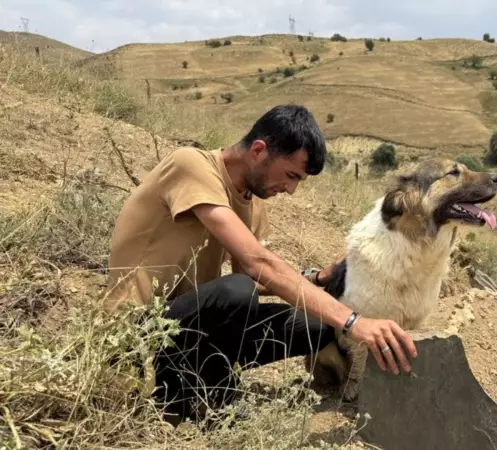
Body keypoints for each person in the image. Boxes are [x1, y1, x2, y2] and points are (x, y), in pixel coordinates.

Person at [105, 104, 417, 424]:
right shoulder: (191, 164)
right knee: (238, 292)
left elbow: (256, 283)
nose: (291, 190)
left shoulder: (251, 205)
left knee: (318, 324)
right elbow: (257, 265)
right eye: (291, 175)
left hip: (192, 332)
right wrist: (355, 322)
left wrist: (319, 278)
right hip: (134, 335)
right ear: (258, 150)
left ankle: (200, 380)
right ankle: (192, 395)